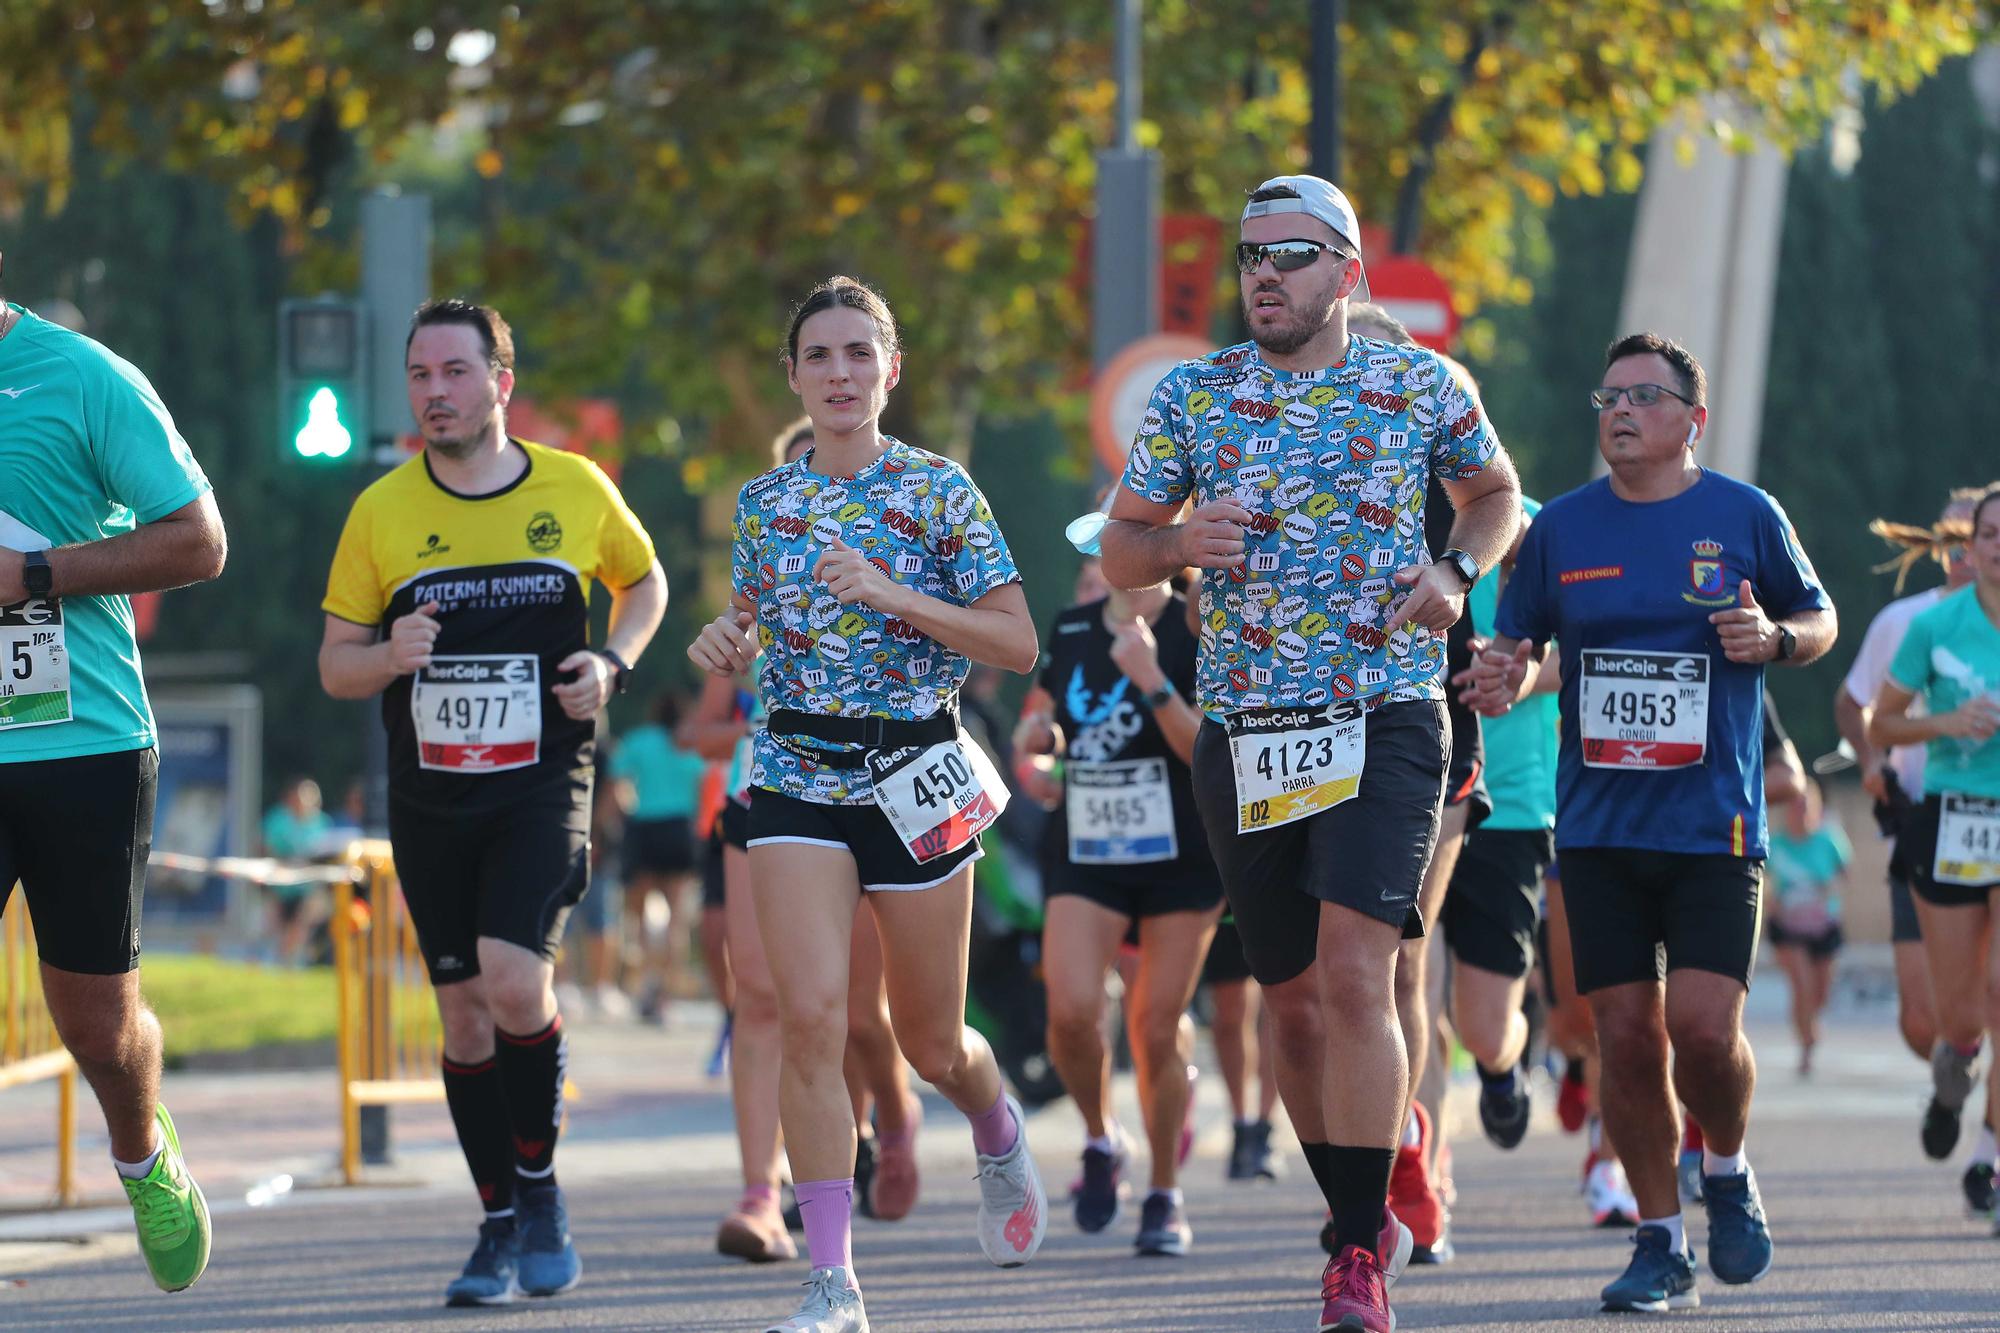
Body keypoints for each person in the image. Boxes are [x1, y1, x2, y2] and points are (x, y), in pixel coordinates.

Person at [1098, 175, 1522, 1333]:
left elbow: (1495, 495)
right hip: (1245, 728)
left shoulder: (1416, 382)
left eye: (1287, 254)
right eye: (1246, 256)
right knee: (1285, 1005)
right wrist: (1180, 538)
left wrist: (1451, 573)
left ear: (1345, 271)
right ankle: (1357, 1192)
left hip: (1385, 710)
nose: (1260, 276)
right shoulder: (1193, 394)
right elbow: (1121, 551)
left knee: (1353, 973)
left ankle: (1352, 1249)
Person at [688, 277, 1044, 1333]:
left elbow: (1016, 641)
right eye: (818, 357)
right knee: (809, 1017)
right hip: (795, 773)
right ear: (792, 375)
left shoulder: (939, 493)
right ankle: (833, 1279)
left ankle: (993, 1125)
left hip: (914, 775)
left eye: (857, 354)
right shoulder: (766, 503)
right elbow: (749, 625)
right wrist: (724, 642)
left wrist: (896, 596)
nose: (838, 374)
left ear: (889, 371)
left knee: (931, 1041)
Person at [1462, 331, 1837, 1313]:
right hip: (1595, 829)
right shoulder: (1560, 531)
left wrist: (1776, 638)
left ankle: (1727, 1167)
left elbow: (1817, 618)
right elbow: (1516, 645)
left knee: (1702, 1032)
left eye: (1641, 396)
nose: (1618, 411)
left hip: (1711, 824)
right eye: (1607, 396)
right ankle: (1658, 1239)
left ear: (1689, 421)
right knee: (1623, 1039)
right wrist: (1501, 676)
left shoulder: (1743, 515)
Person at [319, 298, 667, 1306]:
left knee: (516, 983)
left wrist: (612, 660)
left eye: (455, 373)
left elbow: (641, 586)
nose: (436, 393)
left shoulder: (572, 487)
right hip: (431, 799)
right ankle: (497, 1221)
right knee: (464, 1016)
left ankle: (542, 1187)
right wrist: (387, 653)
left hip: (540, 785)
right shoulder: (380, 511)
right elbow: (335, 665)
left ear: (501, 383)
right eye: (420, 376)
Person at [0, 257, 225, 1293]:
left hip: (79, 739)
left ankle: (142, 1151)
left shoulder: (82, 376)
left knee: (93, 1016)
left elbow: (198, 540)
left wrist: (36, 574)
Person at [682, 417, 925, 1267]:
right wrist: (734, 668)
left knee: (859, 1010)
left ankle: (890, 1121)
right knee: (764, 995)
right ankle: (762, 1192)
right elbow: (707, 727)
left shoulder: (901, 533)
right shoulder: (762, 551)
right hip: (772, 796)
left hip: (877, 790)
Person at [1014, 554, 1221, 1256]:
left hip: (1182, 857)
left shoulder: (1198, 624)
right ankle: (1102, 1138)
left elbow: (1209, 753)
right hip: (1089, 847)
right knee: (1070, 1012)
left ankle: (1164, 1191)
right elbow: (1050, 723)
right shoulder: (1072, 625)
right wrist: (1041, 746)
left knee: (1157, 1027)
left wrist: (1154, 680)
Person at [1340, 302, 1480, 1264]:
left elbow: (1523, 598)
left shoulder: (1461, 493)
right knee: (1315, 980)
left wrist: (1518, 663)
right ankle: (1354, 1152)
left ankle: (1399, 1163)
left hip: (1430, 742)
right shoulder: (1275, 462)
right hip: (1298, 741)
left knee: (1396, 964)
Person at [1835, 488, 1999, 1214]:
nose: (1995, 546)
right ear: (1968, 544)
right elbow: (1879, 721)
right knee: (1956, 1015)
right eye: (1988, 534)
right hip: (1950, 822)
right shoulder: (1933, 625)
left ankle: (1989, 1158)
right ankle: (1954, 1071)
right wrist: (1948, 721)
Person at [610, 691, 709, 1021]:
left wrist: (624, 816)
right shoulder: (688, 745)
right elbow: (701, 787)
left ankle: (644, 983)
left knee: (637, 916)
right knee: (676, 919)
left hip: (644, 828)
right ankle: (664, 993)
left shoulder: (638, 740)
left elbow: (618, 783)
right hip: (680, 830)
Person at [1764, 777, 1850, 1076]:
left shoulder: (1829, 840)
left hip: (1823, 924)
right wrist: (1775, 903)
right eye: (1795, 806)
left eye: (1806, 806)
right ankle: (1806, 1045)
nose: (1800, 812)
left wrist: (1826, 892)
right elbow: (1765, 882)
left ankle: (1810, 1024)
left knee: (1821, 990)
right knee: (1801, 983)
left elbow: (1844, 875)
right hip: (1788, 926)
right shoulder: (1774, 843)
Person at [260, 775, 336, 965]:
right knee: (273, 923)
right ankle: (278, 959)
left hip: (309, 888)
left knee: (306, 915)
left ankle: (289, 959)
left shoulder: (323, 823)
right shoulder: (277, 820)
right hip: (278, 886)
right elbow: (265, 851)